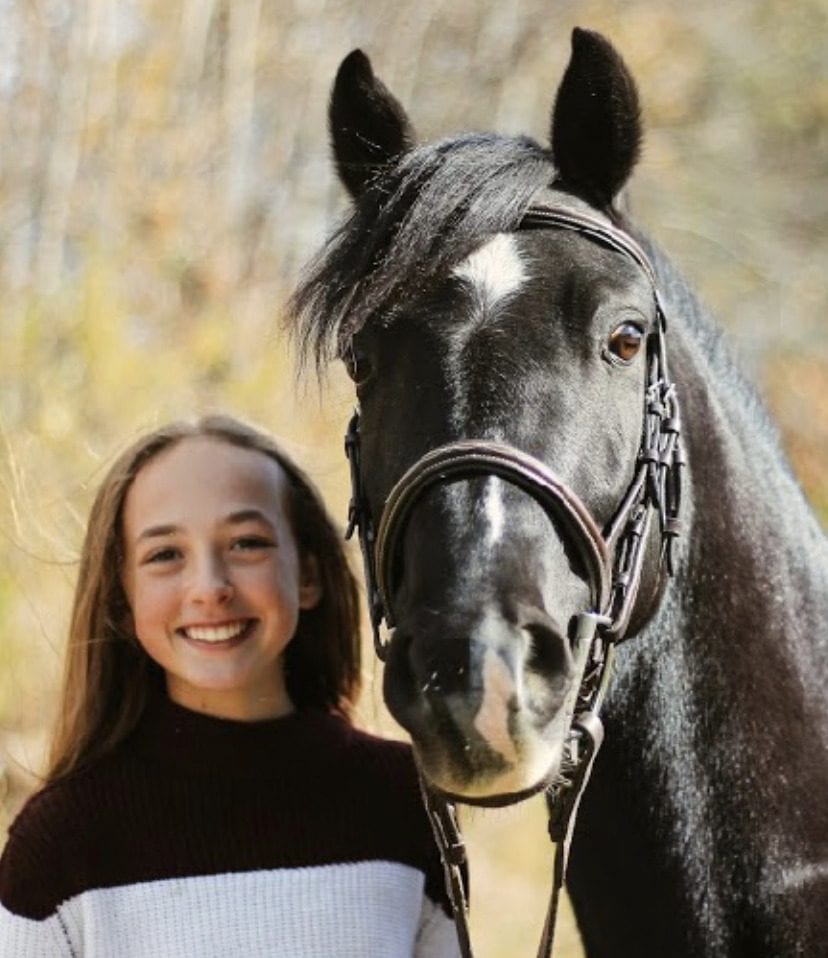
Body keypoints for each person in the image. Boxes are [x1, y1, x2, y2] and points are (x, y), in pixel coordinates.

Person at [0, 415, 461, 957]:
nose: (210, 587)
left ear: (308, 574)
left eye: (246, 543)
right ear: (123, 600)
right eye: (165, 554)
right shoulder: (61, 843)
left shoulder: (404, 801)